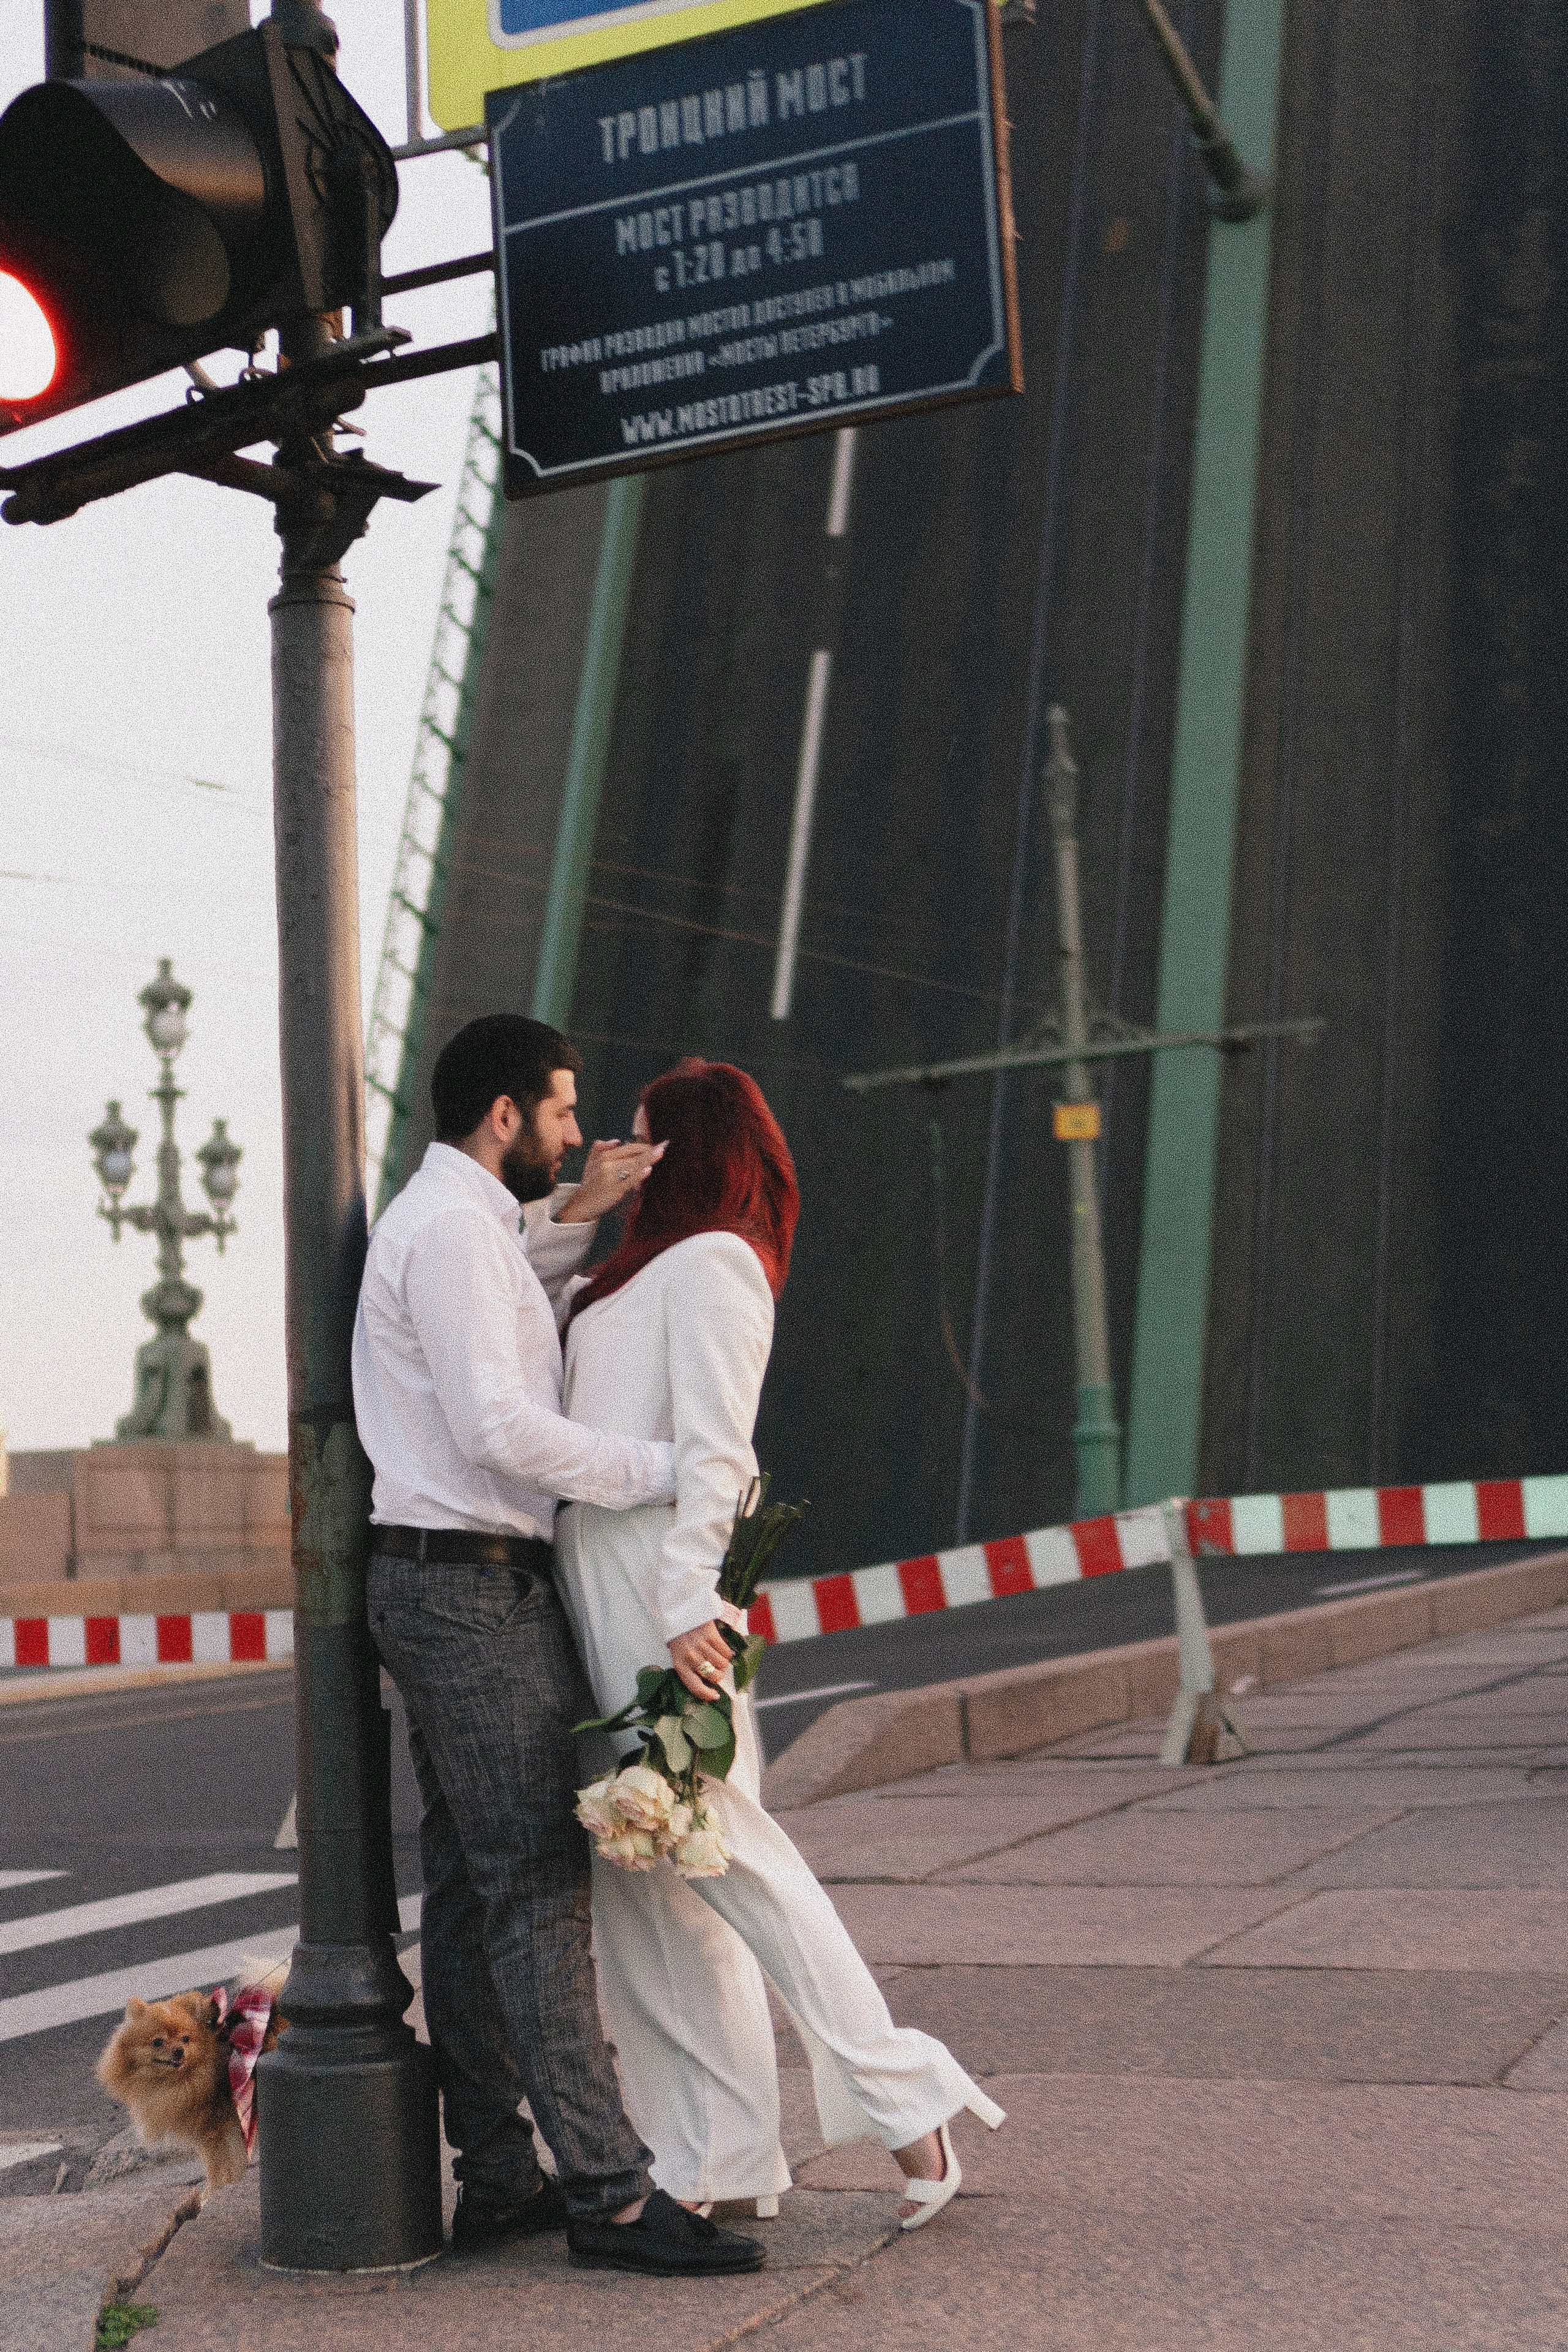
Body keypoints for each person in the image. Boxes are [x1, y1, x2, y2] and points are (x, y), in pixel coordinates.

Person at [554, 1058, 1005, 2231]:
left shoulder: (715, 1266)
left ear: (694, 1146)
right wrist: (581, 1211)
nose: (626, 1148)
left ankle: (908, 2096)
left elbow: (719, 1448)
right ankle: (715, 2157)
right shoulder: (637, 1267)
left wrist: (692, 1595)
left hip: (661, 1581)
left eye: (645, 1135)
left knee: (724, 1847)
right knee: (649, 1875)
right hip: (601, 1575)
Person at [353, 1015, 765, 2277]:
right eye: (563, 1112)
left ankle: (497, 2176)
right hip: (466, 1589)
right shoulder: (451, 1238)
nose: (577, 1133)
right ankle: (612, 2194)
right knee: (537, 1882)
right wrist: (661, 1470)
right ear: (502, 1117)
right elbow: (494, 1426)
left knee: (480, 1892)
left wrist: (579, 1210)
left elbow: (512, 1285)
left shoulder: (469, 1230)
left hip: (454, 1583)